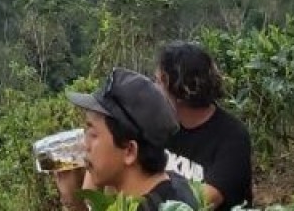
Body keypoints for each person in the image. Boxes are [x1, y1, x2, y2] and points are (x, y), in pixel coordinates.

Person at [55, 67, 200, 211]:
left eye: (93, 134)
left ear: (130, 151)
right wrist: (74, 201)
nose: (84, 145)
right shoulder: (175, 185)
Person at [155, 41, 253, 211]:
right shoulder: (159, 126)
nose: (154, 88)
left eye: (157, 81)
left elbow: (207, 199)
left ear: (171, 84)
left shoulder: (232, 137)